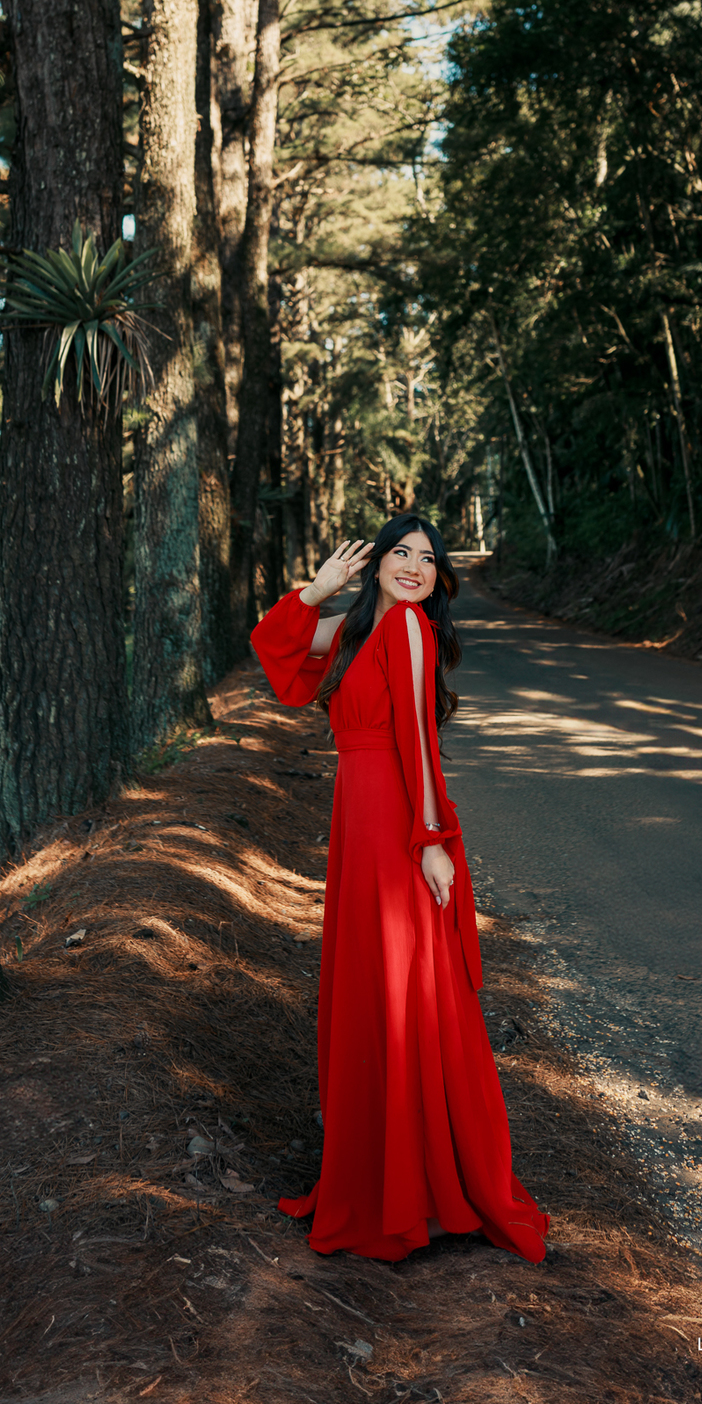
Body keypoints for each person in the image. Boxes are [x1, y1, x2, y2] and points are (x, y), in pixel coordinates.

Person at [250, 513, 549, 1263]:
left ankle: (424, 1187)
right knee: (374, 985)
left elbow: (418, 734)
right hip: (358, 817)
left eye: (428, 559)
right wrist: (315, 591)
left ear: (439, 577)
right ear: (376, 562)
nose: (415, 567)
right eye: (401, 553)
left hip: (392, 819)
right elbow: (273, 646)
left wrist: (431, 840)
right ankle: (391, 1176)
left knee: (403, 984)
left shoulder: (411, 628)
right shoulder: (357, 632)